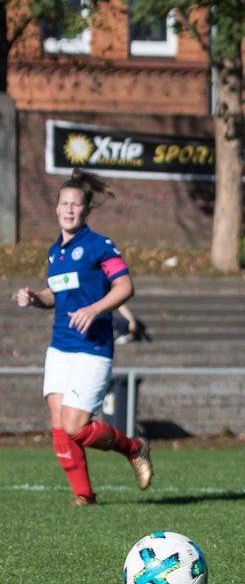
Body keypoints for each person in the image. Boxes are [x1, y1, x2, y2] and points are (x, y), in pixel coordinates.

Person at [14, 168, 154, 505]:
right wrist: (36, 299)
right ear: (57, 208)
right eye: (64, 203)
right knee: (59, 425)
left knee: (76, 426)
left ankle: (134, 448)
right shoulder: (54, 252)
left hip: (93, 348)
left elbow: (125, 286)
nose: (69, 209)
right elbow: (55, 294)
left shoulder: (99, 246)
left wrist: (94, 309)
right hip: (60, 347)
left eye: (75, 204)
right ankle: (84, 496)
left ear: (86, 209)